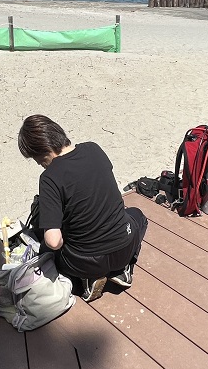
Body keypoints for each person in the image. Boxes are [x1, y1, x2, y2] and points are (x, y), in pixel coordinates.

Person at [17, 114, 148, 303]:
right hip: (124, 248)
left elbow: (54, 242)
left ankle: (88, 279)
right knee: (137, 215)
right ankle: (123, 269)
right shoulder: (94, 149)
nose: (41, 166)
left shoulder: (50, 177)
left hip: (85, 263)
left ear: (44, 152)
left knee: (48, 243)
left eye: (38, 161)